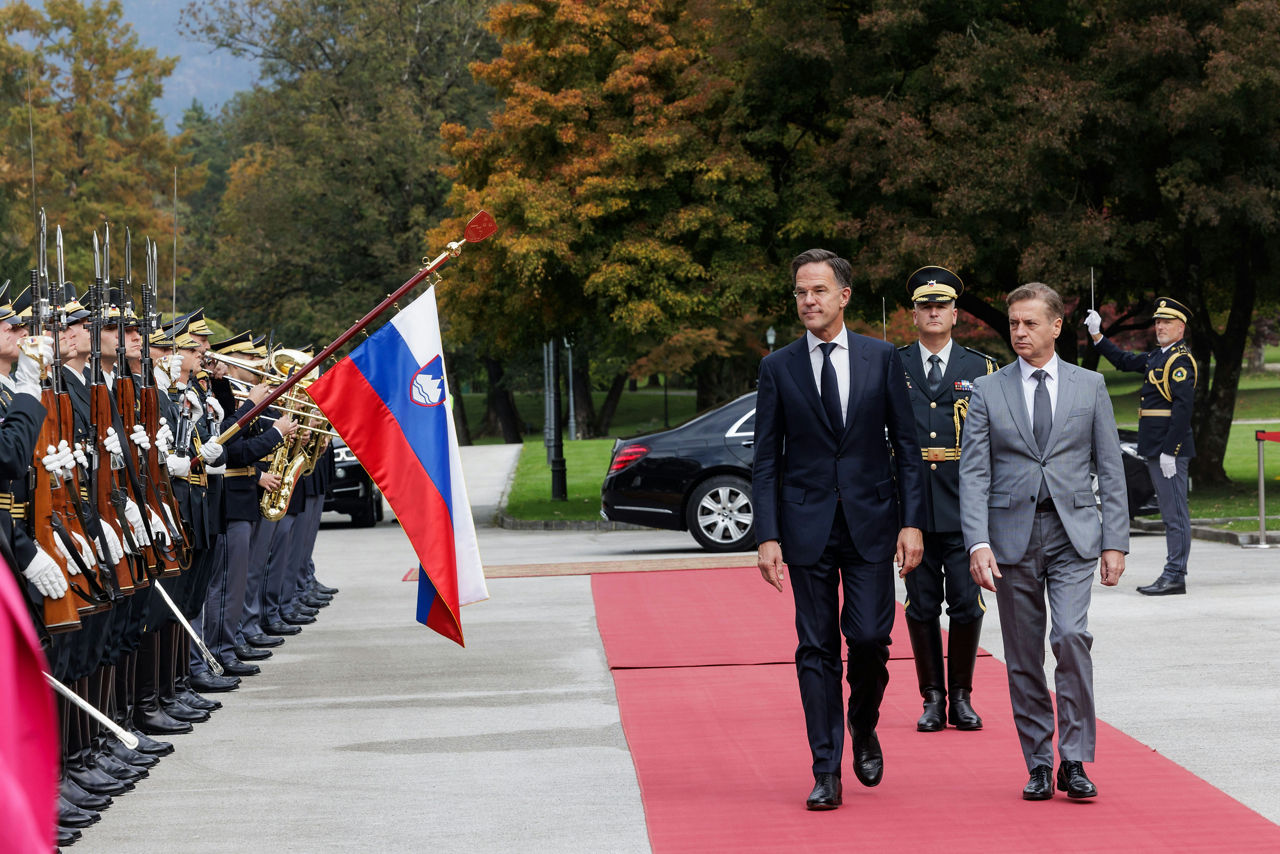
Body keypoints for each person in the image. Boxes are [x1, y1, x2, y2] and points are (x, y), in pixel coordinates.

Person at [754, 248, 925, 811]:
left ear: (844, 296)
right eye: (801, 292)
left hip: (873, 524)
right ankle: (825, 768)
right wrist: (767, 534)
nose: (808, 300)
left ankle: (864, 723)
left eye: (819, 291)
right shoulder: (778, 367)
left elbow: (906, 446)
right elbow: (766, 458)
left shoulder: (881, 359)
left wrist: (911, 522)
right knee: (817, 648)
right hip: (805, 528)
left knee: (872, 639)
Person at [960, 282, 1129, 801]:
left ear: (1057, 325)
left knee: (1071, 639)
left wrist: (1115, 540)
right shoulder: (988, 389)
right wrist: (977, 543)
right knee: (1024, 654)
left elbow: (1110, 465)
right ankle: (1037, 761)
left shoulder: (1088, 387)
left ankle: (1074, 760)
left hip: (1073, 534)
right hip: (1010, 540)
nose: (1019, 332)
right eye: (1013, 323)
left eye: (1030, 323)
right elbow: (974, 475)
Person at [897, 266, 998, 733]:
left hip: (964, 506)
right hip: (913, 506)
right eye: (925, 306)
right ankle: (931, 698)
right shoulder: (891, 366)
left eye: (941, 305)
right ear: (914, 315)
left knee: (964, 601)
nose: (933, 312)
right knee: (919, 605)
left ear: (956, 314)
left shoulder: (982, 369)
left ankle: (961, 696)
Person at [1085, 298, 1196, 595]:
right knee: (1170, 513)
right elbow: (1123, 360)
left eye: (1166, 322)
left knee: (1175, 515)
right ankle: (1173, 572)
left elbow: (1183, 411)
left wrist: (1170, 451)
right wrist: (1098, 335)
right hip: (1156, 447)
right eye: (1158, 322)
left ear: (1180, 327)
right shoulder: (1159, 356)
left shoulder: (1179, 361)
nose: (1159, 326)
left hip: (1167, 450)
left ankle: (1175, 574)